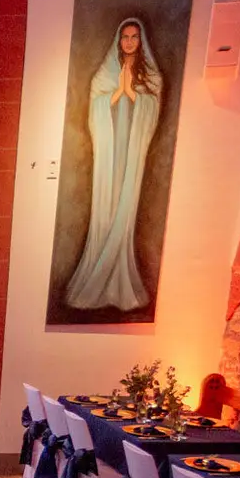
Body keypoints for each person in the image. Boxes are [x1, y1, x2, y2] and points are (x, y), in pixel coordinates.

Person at [64, 17, 160, 312]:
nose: (129, 41)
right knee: (106, 205)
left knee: (125, 203)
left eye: (134, 36)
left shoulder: (151, 75)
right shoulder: (106, 72)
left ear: (140, 40)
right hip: (109, 154)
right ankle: (97, 272)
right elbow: (96, 105)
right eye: (125, 36)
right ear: (119, 40)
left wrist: (133, 94)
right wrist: (117, 93)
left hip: (130, 153)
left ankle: (120, 277)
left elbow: (151, 108)